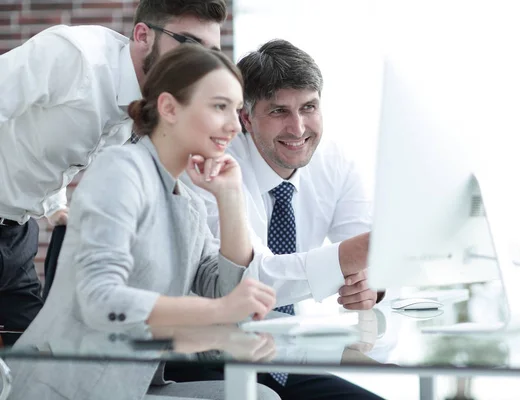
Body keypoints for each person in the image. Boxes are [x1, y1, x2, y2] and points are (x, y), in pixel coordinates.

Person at [7, 44, 279, 400]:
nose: (233, 125)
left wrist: (230, 198)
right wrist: (217, 315)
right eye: (219, 107)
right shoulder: (121, 169)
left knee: (260, 396)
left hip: (133, 384)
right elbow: (100, 298)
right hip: (68, 386)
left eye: (237, 110)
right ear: (168, 107)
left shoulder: (186, 198)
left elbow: (226, 291)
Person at [0, 0, 229, 346]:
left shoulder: (146, 103)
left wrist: (54, 206)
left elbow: (44, 145)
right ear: (143, 35)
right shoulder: (74, 57)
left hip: (17, 235)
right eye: (190, 45)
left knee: (31, 357)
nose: (199, 64)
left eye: (211, 53)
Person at [176, 39, 384, 400]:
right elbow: (248, 281)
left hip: (284, 357)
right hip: (205, 355)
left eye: (309, 107)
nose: (298, 127)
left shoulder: (336, 161)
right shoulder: (211, 167)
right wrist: (349, 258)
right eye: (278, 112)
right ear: (245, 117)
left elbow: (367, 256)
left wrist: (371, 284)